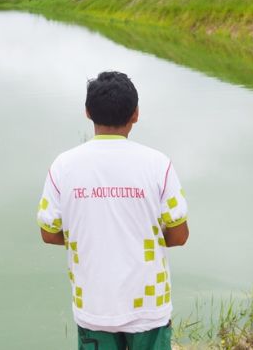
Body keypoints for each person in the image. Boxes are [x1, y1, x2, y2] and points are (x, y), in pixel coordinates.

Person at [37, 71, 189, 350]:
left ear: (87, 112)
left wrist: (89, 236)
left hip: (94, 305)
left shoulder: (63, 166)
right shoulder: (158, 165)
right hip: (148, 306)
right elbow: (179, 236)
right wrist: (140, 237)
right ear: (136, 114)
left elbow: (48, 233)